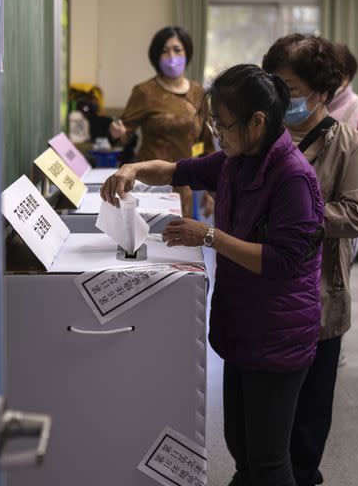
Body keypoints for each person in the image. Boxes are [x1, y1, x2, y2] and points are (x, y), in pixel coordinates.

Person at [102, 64, 325, 486]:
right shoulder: (236, 161)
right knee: (242, 447)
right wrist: (132, 169)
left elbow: (282, 262)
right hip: (245, 325)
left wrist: (207, 235)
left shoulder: (293, 178)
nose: (218, 133)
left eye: (224, 124)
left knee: (269, 459)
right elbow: (176, 170)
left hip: (278, 332)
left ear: (257, 122)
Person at [262, 34, 358, 486]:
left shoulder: (350, 145)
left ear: (321, 92)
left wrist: (294, 215)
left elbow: (356, 215)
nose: (280, 98)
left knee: (307, 425)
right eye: (275, 85)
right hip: (263, 294)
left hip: (318, 300)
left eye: (289, 89)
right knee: (261, 422)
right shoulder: (262, 135)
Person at [108, 26, 214, 218]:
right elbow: (124, 136)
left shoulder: (198, 93)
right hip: (149, 182)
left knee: (179, 241)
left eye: (177, 49)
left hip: (184, 184)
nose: (171, 56)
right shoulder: (144, 92)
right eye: (164, 51)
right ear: (156, 56)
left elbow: (206, 144)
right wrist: (117, 132)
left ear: (187, 52)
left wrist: (211, 187)